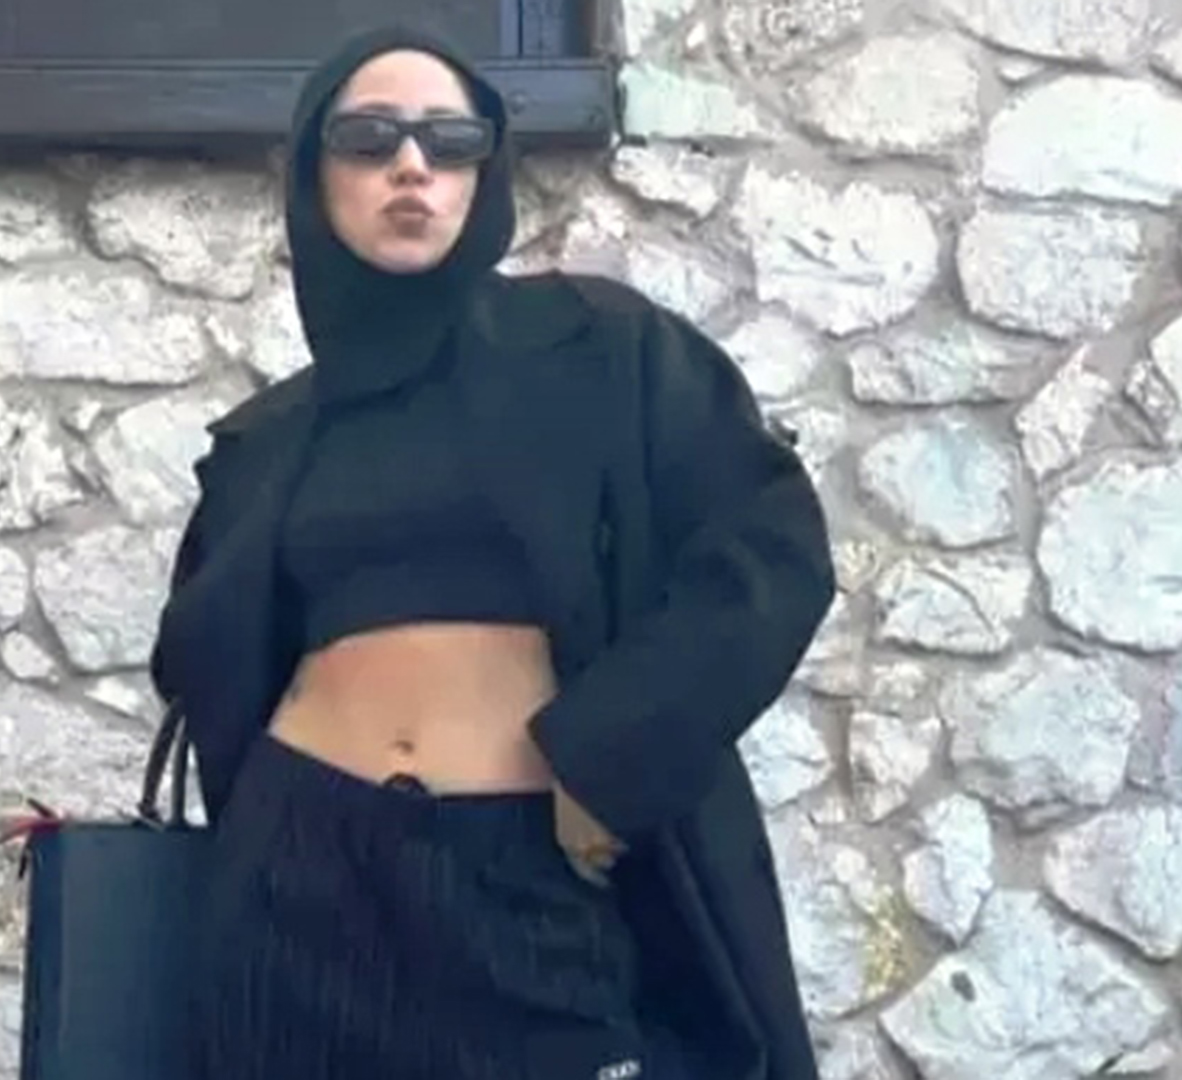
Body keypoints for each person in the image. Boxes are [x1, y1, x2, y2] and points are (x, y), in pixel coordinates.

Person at [149, 24, 836, 1080]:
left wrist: (609, 759)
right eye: (368, 138)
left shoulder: (603, 348)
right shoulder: (268, 440)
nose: (410, 165)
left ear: (486, 171)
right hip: (297, 888)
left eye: (450, 139)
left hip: (539, 872)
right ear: (313, 176)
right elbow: (208, 652)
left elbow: (770, 551)